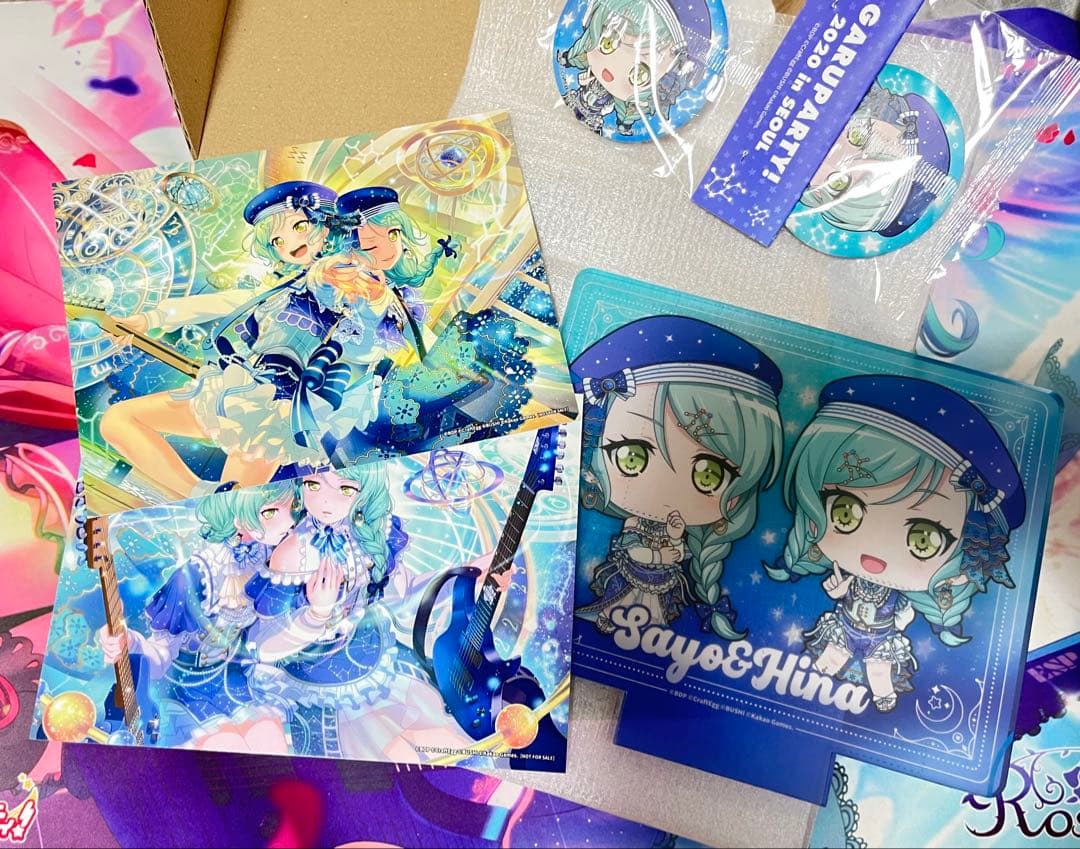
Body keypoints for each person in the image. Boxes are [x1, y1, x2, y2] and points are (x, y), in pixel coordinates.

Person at [98, 181, 381, 498]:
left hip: (279, 409)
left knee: (235, 503)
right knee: (118, 420)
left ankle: (213, 503)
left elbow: (362, 326)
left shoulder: (348, 282)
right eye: (277, 240)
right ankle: (196, 493)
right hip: (235, 389)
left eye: (300, 226)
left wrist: (343, 280)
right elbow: (217, 303)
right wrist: (148, 319)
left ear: (326, 223)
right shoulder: (276, 290)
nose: (289, 243)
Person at [765, 375, 1024, 712]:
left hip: (880, 636)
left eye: (923, 539)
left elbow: (903, 616)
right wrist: (838, 590)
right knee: (829, 658)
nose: (875, 554)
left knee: (879, 671)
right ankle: (810, 687)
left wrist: (905, 616)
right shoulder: (850, 577)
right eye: (845, 513)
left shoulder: (904, 595)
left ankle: (881, 696)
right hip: (845, 625)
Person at [571, 315, 783, 639]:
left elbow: (681, 552)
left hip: (661, 585)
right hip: (633, 575)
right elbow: (633, 550)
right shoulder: (634, 523)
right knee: (622, 609)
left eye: (708, 476)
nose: (664, 491)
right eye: (632, 457)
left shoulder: (677, 525)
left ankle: (649, 632)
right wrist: (662, 554)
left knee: (654, 618)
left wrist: (673, 540)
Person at [99, 482, 297, 750]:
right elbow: (160, 657)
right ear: (238, 521)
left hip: (239, 680)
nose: (290, 521)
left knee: (270, 738)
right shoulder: (194, 576)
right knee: (228, 744)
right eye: (270, 512)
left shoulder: (271, 552)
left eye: (292, 507)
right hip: (187, 693)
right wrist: (130, 644)